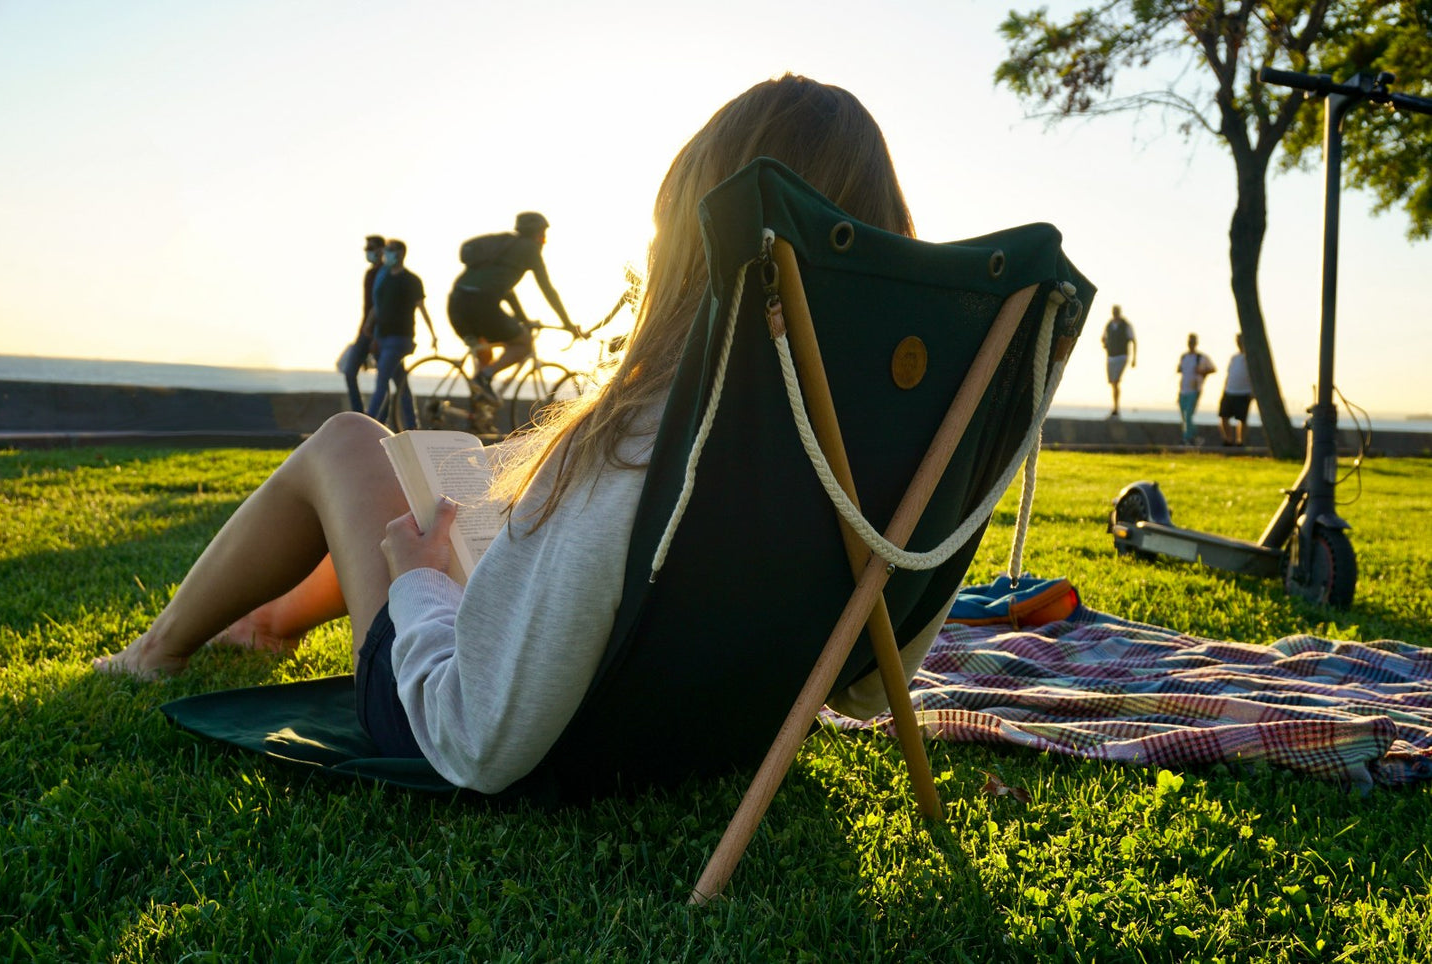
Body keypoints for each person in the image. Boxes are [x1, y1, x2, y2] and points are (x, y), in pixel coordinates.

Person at [93, 74, 924, 795]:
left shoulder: (660, 426)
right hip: (716, 726)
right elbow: (862, 692)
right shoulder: (889, 434)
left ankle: (156, 650)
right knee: (451, 493)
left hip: (525, 730)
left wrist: (419, 584)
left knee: (351, 442)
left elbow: (477, 740)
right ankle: (273, 622)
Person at [446, 212, 579, 402]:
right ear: (535, 234)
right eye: (543, 234)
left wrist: (524, 319)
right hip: (481, 305)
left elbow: (507, 293)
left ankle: (478, 412)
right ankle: (485, 377)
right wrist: (567, 324)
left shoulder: (502, 246)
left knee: (484, 352)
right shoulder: (530, 249)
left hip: (456, 304)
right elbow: (548, 289)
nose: (544, 240)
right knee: (523, 343)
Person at [364, 239, 438, 428]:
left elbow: (422, 308)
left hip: (400, 339)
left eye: (390, 250)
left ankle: (367, 424)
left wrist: (433, 334)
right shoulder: (384, 278)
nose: (386, 254)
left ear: (401, 253)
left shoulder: (411, 280)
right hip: (383, 338)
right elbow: (377, 307)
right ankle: (413, 426)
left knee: (382, 380)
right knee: (401, 385)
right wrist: (369, 327)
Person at [341, 235, 384, 413]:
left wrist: (375, 333)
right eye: (367, 249)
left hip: (380, 333)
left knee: (385, 379)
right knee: (349, 371)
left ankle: (380, 417)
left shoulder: (385, 273)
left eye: (371, 248)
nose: (368, 253)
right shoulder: (370, 273)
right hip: (365, 331)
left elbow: (380, 306)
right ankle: (359, 413)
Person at [1176, 333, 1216, 445]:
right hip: (1183, 390)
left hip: (1194, 389)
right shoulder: (1184, 357)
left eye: (1192, 342)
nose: (1191, 344)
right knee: (1184, 416)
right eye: (1189, 341)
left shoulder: (1201, 357)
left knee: (1189, 414)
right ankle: (1193, 437)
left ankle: (1187, 437)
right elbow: (1181, 371)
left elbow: (1213, 369)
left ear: (1196, 343)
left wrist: (1202, 372)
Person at [1101, 305, 1136, 417]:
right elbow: (1103, 338)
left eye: (1117, 312)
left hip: (1122, 356)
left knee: (1116, 381)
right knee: (1112, 383)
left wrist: (1134, 358)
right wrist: (1105, 344)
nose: (1115, 314)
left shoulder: (1125, 325)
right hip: (1111, 356)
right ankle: (1115, 407)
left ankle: (1116, 408)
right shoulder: (1109, 325)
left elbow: (1133, 340)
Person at [1218, 333, 1253, 446]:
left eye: (1241, 340)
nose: (1239, 343)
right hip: (1230, 391)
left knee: (1242, 419)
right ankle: (1228, 439)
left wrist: (1253, 392)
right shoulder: (1234, 358)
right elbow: (1229, 374)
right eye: (1237, 340)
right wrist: (1224, 388)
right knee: (1223, 416)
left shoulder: (1251, 358)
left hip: (1244, 392)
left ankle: (1240, 440)